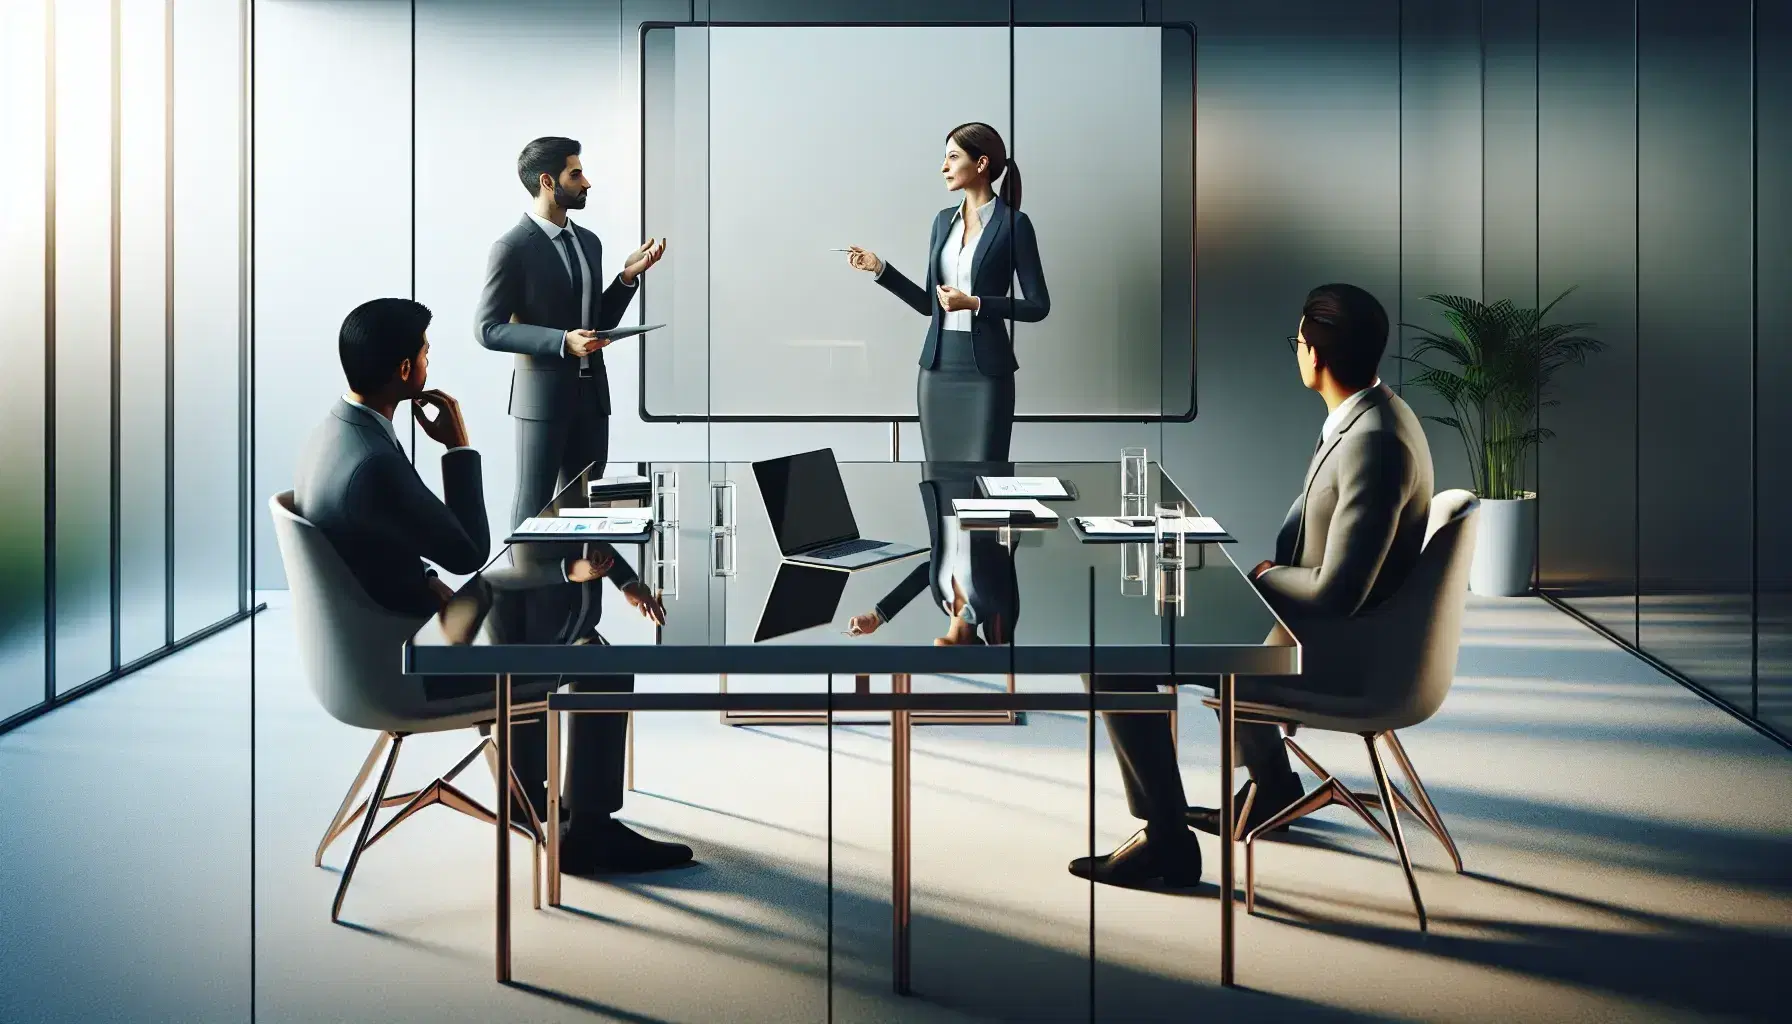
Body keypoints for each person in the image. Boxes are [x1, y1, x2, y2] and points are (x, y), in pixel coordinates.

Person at [295, 298, 692, 875]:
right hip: (402, 670)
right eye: (425, 352)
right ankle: (589, 837)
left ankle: (526, 798)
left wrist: (431, 586)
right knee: (600, 656)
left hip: (368, 648)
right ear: (406, 371)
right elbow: (469, 550)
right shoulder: (373, 461)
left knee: (532, 621)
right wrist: (459, 447)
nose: (431, 359)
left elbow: (383, 548)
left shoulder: (335, 432)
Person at [1073, 284, 1435, 889]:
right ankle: (1273, 789)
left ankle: (1165, 842)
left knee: (1109, 650)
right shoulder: (1372, 414)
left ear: (1315, 355)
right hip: (1328, 631)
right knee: (1161, 606)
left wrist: (1262, 578)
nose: (1295, 351)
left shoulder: (1374, 445)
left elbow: (1337, 592)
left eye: (1296, 341)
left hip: (1333, 655)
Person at [475, 135, 666, 533]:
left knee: (587, 509)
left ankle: (583, 594)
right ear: (548, 181)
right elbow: (487, 329)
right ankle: (530, 592)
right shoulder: (511, 248)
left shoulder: (589, 243)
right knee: (535, 506)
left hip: (592, 397)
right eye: (575, 173)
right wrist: (561, 342)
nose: (586, 182)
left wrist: (627, 277)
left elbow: (596, 322)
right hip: (542, 401)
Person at [846, 123, 1050, 461]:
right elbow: (930, 304)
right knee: (938, 475)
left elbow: (1038, 306)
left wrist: (975, 303)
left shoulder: (1015, 225)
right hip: (937, 368)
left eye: (953, 157)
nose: (944, 167)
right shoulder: (942, 221)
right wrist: (880, 268)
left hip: (987, 371)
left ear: (981, 164)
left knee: (985, 482)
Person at [847, 462, 1019, 646]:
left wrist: (877, 616)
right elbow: (1009, 550)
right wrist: (996, 636)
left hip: (942, 475)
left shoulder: (942, 597)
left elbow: (924, 574)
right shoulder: (990, 602)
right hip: (984, 480)